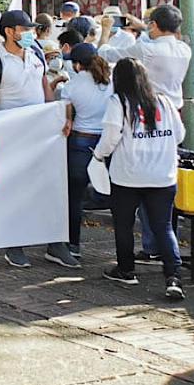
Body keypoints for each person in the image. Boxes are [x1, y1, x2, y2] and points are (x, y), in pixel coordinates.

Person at [0, 10, 70, 268]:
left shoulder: (36, 54)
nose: (30, 34)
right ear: (9, 31)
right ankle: (14, 243)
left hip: (41, 133)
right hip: (10, 135)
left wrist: (55, 115)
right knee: (15, 190)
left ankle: (55, 243)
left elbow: (45, 88)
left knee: (49, 187)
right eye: (25, 29)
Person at [95, 59, 185, 300]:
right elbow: (179, 135)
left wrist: (98, 155)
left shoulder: (119, 102)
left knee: (124, 224)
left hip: (128, 175)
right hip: (163, 176)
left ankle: (126, 269)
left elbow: (110, 137)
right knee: (163, 226)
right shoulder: (165, 101)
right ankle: (173, 276)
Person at [60, 43, 113, 260]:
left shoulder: (71, 86)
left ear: (77, 65)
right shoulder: (110, 82)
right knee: (115, 194)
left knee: (74, 196)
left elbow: (66, 119)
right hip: (107, 140)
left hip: (80, 140)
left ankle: (73, 244)